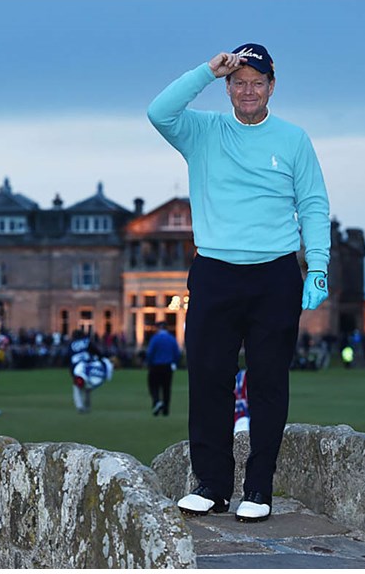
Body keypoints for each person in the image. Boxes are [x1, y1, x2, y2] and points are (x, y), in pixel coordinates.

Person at [148, 43, 330, 523]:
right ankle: (211, 485)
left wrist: (318, 266)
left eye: (257, 82)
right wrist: (206, 70)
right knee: (208, 378)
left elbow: (312, 203)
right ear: (228, 87)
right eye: (239, 82)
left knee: (268, 382)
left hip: (274, 273)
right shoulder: (202, 131)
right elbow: (158, 110)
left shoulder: (293, 138)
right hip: (215, 271)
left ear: (272, 86)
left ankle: (259, 489)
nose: (248, 90)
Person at [145, 321, 181, 416]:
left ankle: (157, 401)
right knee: (166, 388)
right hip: (168, 366)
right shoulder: (171, 339)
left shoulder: (155, 338)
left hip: (156, 366)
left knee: (154, 386)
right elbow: (177, 353)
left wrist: (148, 363)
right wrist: (175, 363)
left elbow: (150, 352)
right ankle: (166, 409)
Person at [68, 329, 102, 413]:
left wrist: (71, 371)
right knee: (87, 386)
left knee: (77, 387)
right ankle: (87, 404)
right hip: (87, 366)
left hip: (76, 367)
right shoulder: (86, 342)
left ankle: (80, 406)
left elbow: (68, 357)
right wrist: (101, 358)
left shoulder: (71, 345)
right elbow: (96, 351)